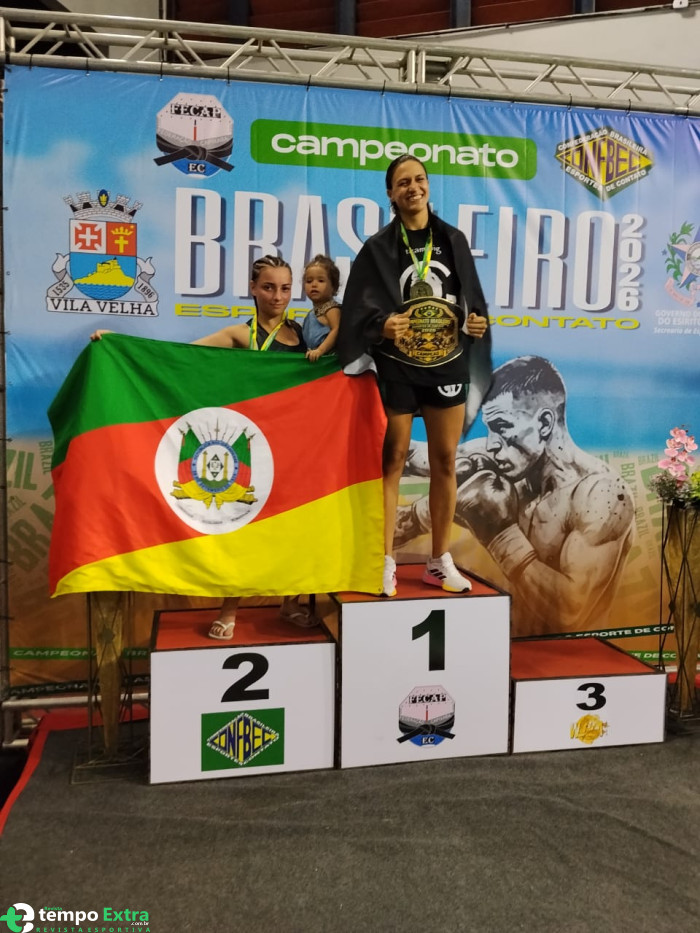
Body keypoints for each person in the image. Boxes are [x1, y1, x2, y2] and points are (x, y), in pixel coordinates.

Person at [92, 254, 319, 640]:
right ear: (252, 288)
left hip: (294, 446)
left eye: (285, 288)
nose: (277, 296)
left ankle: (290, 601)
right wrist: (121, 345)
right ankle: (229, 609)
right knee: (245, 531)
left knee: (292, 527)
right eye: (268, 287)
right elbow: (180, 356)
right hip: (254, 448)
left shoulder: (304, 335)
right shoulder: (240, 334)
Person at [337, 154, 491, 598]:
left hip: (447, 363)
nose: (413, 187)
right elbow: (357, 309)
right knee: (393, 459)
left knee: (445, 460)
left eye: (419, 179)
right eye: (403, 182)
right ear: (390, 193)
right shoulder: (378, 247)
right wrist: (381, 325)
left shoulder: (452, 239)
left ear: (428, 185)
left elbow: (472, 300)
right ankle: (384, 559)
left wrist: (477, 321)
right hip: (398, 365)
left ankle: (438, 561)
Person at [394, 356, 636, 636]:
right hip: (499, 644)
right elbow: (407, 454)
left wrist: (500, 534)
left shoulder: (602, 495)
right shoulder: (505, 459)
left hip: (568, 652)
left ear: (544, 423)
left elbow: (571, 613)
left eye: (502, 427)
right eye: (489, 429)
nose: (491, 444)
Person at [301, 254, 342, 362]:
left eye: (320, 281)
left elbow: (336, 330)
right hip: (315, 360)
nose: (314, 285)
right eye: (309, 281)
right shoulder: (310, 314)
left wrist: (320, 350)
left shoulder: (332, 309)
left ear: (333, 286)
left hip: (330, 362)